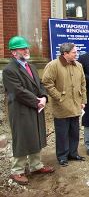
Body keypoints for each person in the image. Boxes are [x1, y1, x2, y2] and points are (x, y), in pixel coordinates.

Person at [2, 36, 54, 185]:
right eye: (22, 48)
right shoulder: (9, 70)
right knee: (22, 138)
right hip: (21, 110)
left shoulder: (30, 66)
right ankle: (17, 171)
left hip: (35, 107)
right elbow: (18, 91)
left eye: (26, 48)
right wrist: (36, 101)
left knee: (35, 136)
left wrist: (43, 96)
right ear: (13, 52)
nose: (26, 50)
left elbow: (40, 84)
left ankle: (36, 165)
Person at [42, 43, 87, 166]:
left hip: (75, 104)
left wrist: (83, 100)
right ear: (65, 53)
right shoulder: (53, 65)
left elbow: (83, 84)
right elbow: (47, 83)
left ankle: (73, 153)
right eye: (74, 52)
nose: (76, 54)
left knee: (74, 131)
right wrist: (59, 97)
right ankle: (62, 156)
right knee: (62, 133)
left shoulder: (78, 65)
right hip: (61, 106)